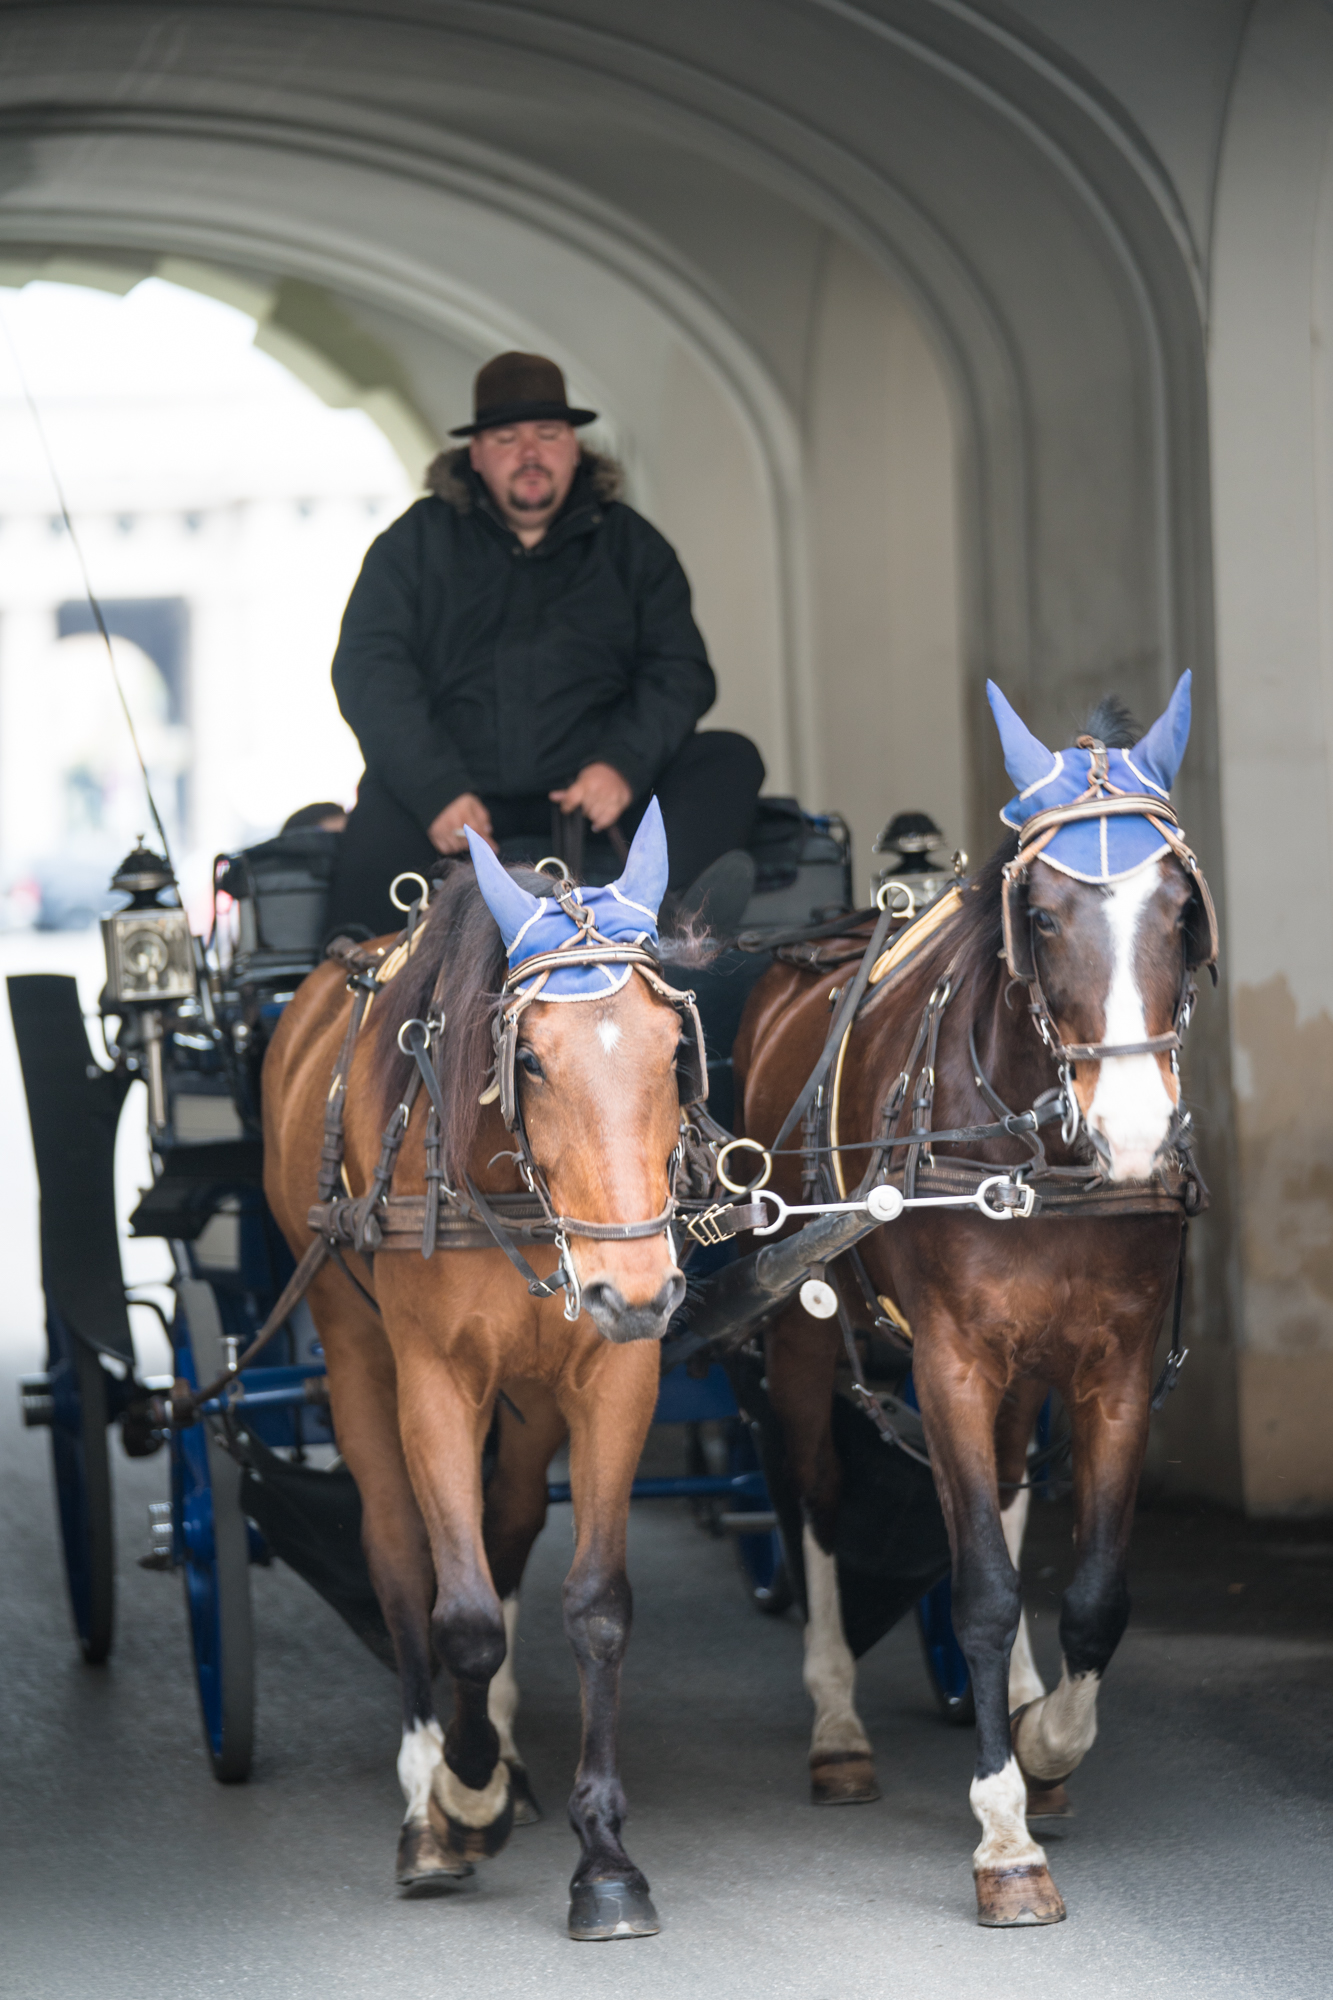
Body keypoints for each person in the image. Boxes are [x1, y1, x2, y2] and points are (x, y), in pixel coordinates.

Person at [325, 350, 764, 937]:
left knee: (729, 759)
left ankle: (664, 926)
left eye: (548, 434)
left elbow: (678, 669)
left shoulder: (632, 546)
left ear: (574, 448)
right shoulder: (412, 545)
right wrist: (435, 790)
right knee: (363, 898)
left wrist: (622, 766)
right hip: (454, 802)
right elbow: (368, 669)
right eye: (507, 438)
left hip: (597, 802)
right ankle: (366, 985)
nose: (530, 454)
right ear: (475, 455)